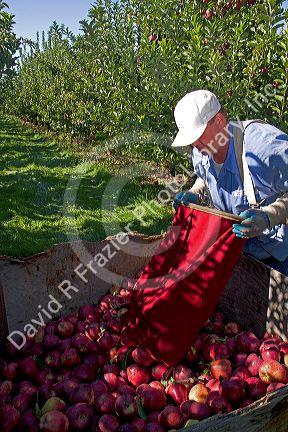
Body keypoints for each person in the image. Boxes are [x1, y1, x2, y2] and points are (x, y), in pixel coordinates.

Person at [171, 89, 288, 276]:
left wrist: (270, 216)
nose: (194, 144)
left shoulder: (263, 147)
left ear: (219, 121)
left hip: (279, 253)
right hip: (240, 249)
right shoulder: (201, 150)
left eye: (198, 135)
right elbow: (206, 177)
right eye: (191, 140)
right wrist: (196, 193)